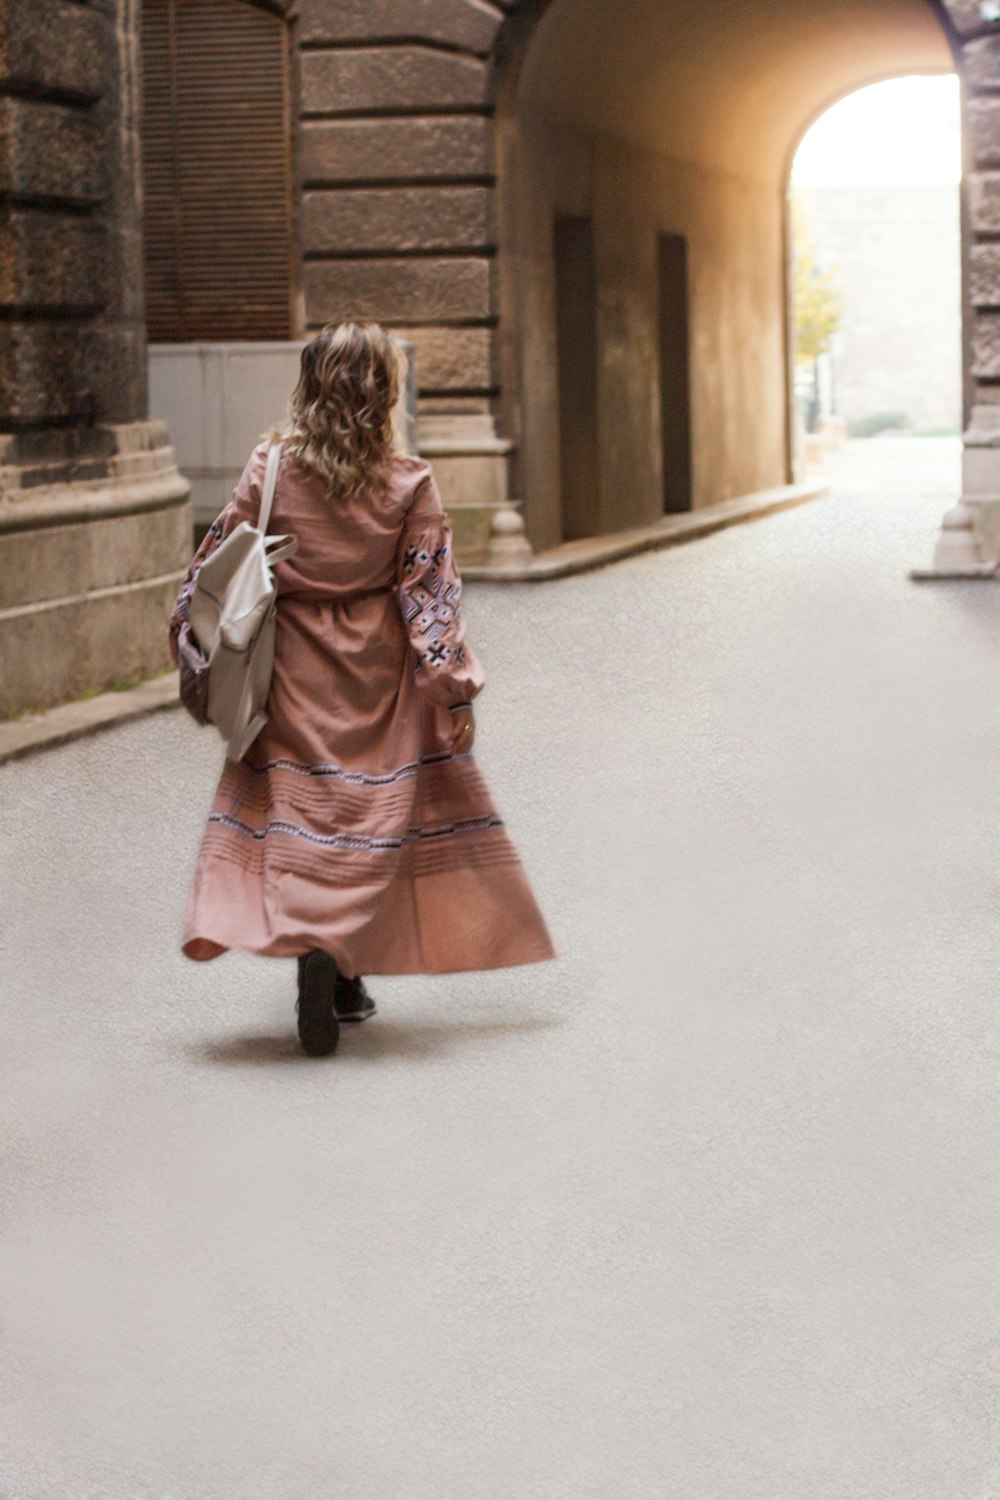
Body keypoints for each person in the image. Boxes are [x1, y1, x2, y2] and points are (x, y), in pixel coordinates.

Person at [168, 321, 556, 1056]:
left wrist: (194, 655)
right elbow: (428, 593)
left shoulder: (270, 468)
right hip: (378, 676)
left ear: (310, 386)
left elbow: (214, 566)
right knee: (372, 820)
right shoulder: (408, 481)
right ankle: (343, 972)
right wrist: (453, 688)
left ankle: (321, 958)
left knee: (297, 811)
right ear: (385, 392)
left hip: (289, 668)